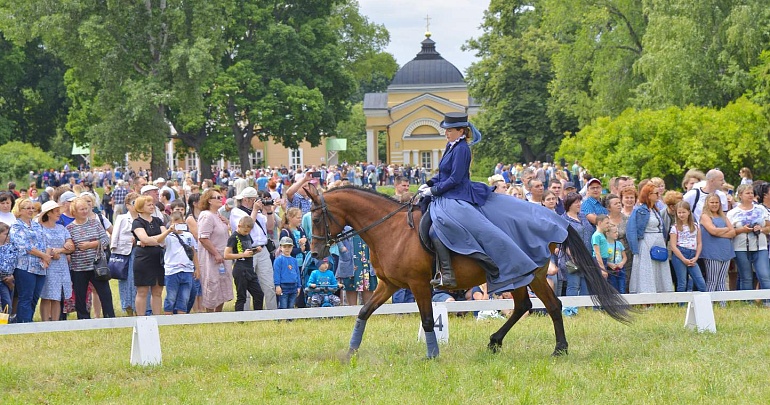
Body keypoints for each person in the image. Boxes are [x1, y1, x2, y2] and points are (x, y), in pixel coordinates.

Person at [417, 112, 567, 291]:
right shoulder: (451, 145)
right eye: (446, 130)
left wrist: (434, 190)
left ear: (461, 131)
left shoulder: (462, 149)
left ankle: (448, 274)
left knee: (437, 228)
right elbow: (443, 174)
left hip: (457, 195)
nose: (446, 133)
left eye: (449, 130)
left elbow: (455, 178)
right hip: (447, 194)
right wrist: (428, 184)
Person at [66, 197, 114, 319]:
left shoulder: (95, 223)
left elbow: (106, 240)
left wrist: (91, 244)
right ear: (74, 211)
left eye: (86, 208)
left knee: (105, 294)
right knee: (80, 296)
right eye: (81, 209)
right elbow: (69, 246)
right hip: (78, 268)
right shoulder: (69, 228)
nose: (85, 211)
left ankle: (110, 317)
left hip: (97, 265)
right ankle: (83, 319)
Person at [627, 183, 674, 294]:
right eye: (656, 193)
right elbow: (631, 230)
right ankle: (646, 295)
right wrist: (635, 248)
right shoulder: (640, 210)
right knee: (647, 270)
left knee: (659, 269)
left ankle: (660, 293)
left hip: (658, 242)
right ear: (648, 195)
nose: (658, 195)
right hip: (647, 242)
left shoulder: (655, 210)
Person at [9, 198, 51, 322]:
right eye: (28, 208)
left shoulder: (37, 225)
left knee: (35, 297)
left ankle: (29, 322)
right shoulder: (16, 226)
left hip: (40, 267)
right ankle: (24, 323)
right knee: (26, 297)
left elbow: (46, 241)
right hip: (24, 267)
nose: (31, 210)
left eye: (32, 208)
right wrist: (43, 255)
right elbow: (24, 246)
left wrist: (47, 257)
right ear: (20, 210)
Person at [132, 195, 174, 315]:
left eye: (152, 204)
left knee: (157, 291)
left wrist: (150, 240)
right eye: (149, 205)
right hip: (143, 259)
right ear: (141, 207)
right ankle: (141, 318)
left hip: (158, 258)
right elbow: (144, 239)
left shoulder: (158, 220)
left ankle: (157, 317)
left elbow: (164, 239)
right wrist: (153, 240)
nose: (152, 207)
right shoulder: (137, 222)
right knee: (142, 291)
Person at [726, 184, 770, 292]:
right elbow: (729, 232)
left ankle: (767, 299)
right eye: (747, 193)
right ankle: (747, 300)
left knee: (764, 275)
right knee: (746, 277)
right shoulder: (732, 213)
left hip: (760, 247)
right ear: (740, 195)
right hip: (740, 248)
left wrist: (761, 229)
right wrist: (742, 230)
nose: (750, 195)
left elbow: (769, 226)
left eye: (751, 193)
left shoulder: (761, 209)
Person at [197, 188, 233, 312]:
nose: (220, 199)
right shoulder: (206, 216)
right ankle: (210, 315)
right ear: (209, 201)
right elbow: (203, 238)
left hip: (223, 256)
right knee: (212, 285)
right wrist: (216, 254)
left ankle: (219, 314)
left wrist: (227, 223)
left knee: (222, 285)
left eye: (221, 197)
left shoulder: (218, 215)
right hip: (212, 257)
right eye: (217, 198)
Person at [38, 201, 74, 322]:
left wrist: (60, 250)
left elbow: (71, 246)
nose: (59, 214)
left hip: (61, 265)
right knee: (46, 295)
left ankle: (55, 322)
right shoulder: (40, 228)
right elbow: (38, 246)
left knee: (57, 296)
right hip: (47, 265)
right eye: (56, 211)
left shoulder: (62, 228)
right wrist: (51, 253)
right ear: (48, 213)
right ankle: (45, 322)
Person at [224, 216, 264, 311]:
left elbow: (247, 251)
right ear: (239, 226)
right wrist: (243, 255)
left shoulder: (247, 235)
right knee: (241, 296)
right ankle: (239, 316)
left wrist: (255, 250)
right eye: (245, 231)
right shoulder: (234, 237)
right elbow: (226, 255)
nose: (247, 233)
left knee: (259, 294)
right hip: (240, 268)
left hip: (249, 268)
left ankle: (258, 315)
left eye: (249, 231)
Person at [699, 194, 736, 294]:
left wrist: (719, 232)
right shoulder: (705, 216)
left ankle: (722, 302)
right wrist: (726, 229)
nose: (714, 204)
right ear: (707, 203)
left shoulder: (723, 216)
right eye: (712, 202)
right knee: (712, 280)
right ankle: (708, 301)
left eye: (716, 202)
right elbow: (713, 231)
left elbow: (733, 232)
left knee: (722, 280)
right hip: (712, 253)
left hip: (726, 252)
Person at [163, 212, 198, 314]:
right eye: (175, 223)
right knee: (171, 297)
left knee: (184, 297)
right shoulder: (168, 236)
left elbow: (193, 252)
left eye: (180, 223)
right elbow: (159, 240)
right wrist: (168, 230)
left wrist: (197, 268)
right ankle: (168, 316)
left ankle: (181, 317)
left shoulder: (188, 236)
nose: (178, 225)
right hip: (172, 271)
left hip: (187, 270)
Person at [669, 201, 707, 293]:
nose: (681, 215)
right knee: (682, 282)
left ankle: (700, 300)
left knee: (701, 283)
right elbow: (673, 246)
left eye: (683, 212)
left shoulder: (695, 226)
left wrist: (696, 257)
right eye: (679, 212)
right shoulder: (675, 228)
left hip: (692, 254)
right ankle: (681, 301)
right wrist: (683, 259)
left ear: (689, 212)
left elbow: (699, 243)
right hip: (680, 254)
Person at [274, 236, 301, 309]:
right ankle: (282, 316)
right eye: (284, 246)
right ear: (280, 247)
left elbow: (297, 274)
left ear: (292, 248)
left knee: (291, 306)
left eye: (289, 247)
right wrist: (277, 285)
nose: (287, 249)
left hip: (294, 286)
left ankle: (290, 317)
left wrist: (299, 286)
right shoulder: (278, 260)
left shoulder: (294, 260)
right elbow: (276, 273)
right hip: (283, 286)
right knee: (283, 305)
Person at [606, 225, 627, 293]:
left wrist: (622, 263)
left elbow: (624, 257)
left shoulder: (619, 244)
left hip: (620, 269)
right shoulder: (604, 245)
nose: (617, 234)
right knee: (613, 288)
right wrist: (609, 264)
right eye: (614, 232)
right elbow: (603, 258)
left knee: (622, 288)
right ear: (607, 234)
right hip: (611, 270)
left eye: (617, 232)